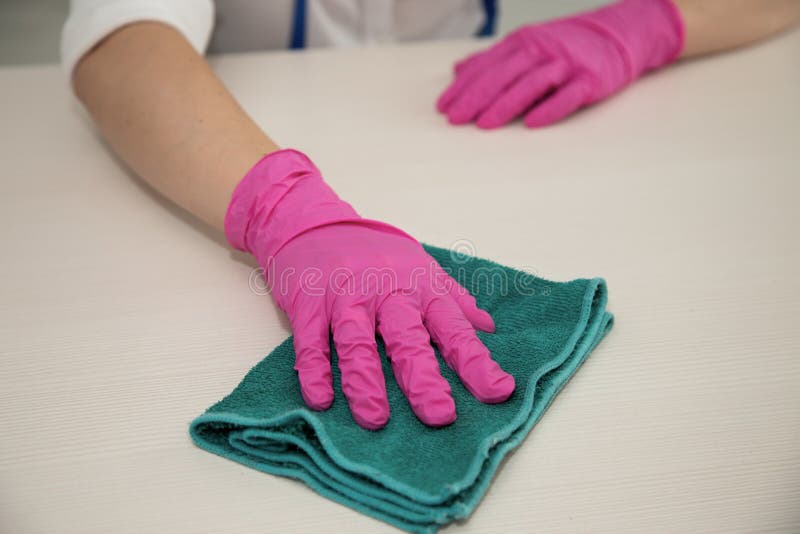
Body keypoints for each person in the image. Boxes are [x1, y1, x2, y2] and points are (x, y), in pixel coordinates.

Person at [63, 0, 799, 430]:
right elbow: (120, 40)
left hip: (482, 135)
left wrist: (652, 23)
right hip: (211, 135)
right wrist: (285, 209)